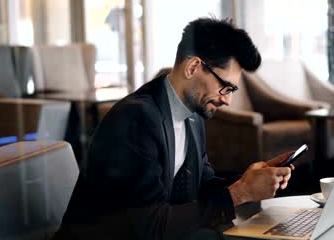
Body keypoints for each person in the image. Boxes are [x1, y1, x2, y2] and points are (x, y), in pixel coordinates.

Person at [53, 17, 294, 240]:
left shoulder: (192, 115)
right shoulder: (136, 118)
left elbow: (202, 186)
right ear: (192, 68)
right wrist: (240, 193)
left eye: (232, 91)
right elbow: (147, 226)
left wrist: (250, 181)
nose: (227, 100)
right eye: (225, 87)